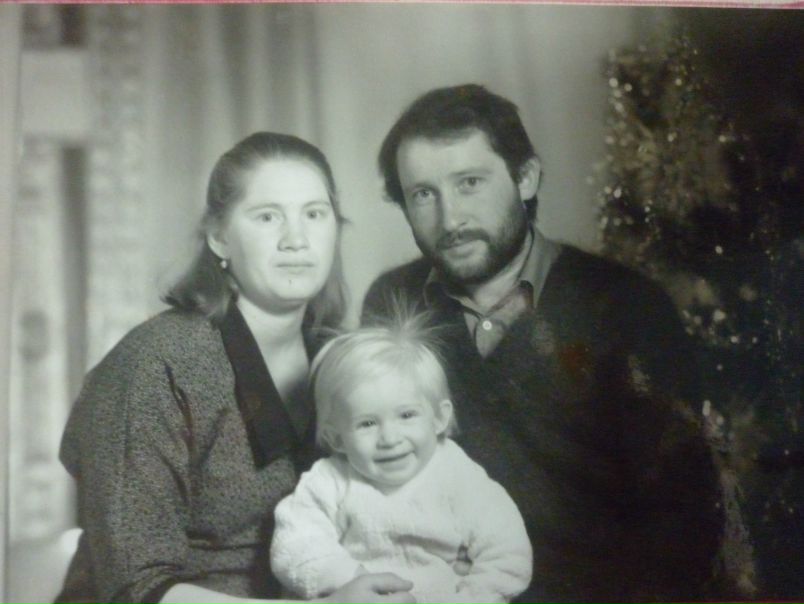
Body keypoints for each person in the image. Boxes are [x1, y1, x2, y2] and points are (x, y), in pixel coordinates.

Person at [362, 84, 725, 603]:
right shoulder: (393, 303)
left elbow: (683, 519)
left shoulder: (625, 305)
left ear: (526, 178)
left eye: (469, 183)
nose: (450, 219)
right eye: (423, 194)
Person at [55, 132, 414, 604]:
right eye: (267, 217)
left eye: (314, 214)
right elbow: (136, 588)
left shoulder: (340, 357)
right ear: (219, 237)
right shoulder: (154, 363)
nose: (296, 240)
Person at [270, 317, 533, 604]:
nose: (389, 438)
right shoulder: (329, 480)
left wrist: (471, 598)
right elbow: (294, 544)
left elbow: (508, 552)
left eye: (406, 415)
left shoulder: (458, 474)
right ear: (337, 439)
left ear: (439, 418)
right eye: (367, 423)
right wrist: (347, 578)